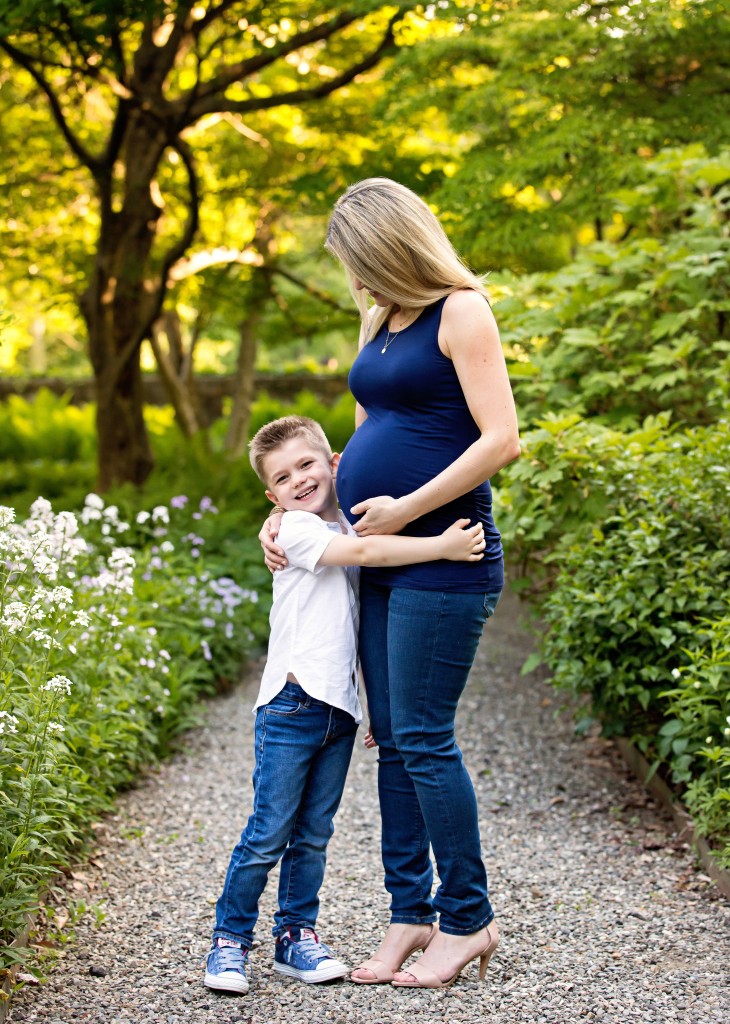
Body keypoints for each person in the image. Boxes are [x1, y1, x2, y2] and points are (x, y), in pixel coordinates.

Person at [260, 179, 520, 990]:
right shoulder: (382, 320)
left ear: (391, 246)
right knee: (394, 741)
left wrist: (405, 505)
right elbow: (382, 426)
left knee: (426, 735)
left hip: (446, 555)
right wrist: (299, 508)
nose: (354, 280)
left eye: (359, 262)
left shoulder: (461, 309)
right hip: (379, 558)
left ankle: (467, 920)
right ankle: (410, 912)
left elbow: (501, 438)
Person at [205, 414, 486, 995]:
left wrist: (366, 701)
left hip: (336, 707)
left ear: (335, 465)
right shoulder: (301, 533)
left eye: (307, 464)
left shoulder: (334, 520)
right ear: (272, 495)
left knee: (313, 835)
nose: (298, 479)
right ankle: (230, 941)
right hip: (290, 701)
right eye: (283, 478)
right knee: (268, 831)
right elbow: (372, 555)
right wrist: (443, 545)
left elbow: (354, 623)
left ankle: (295, 938)